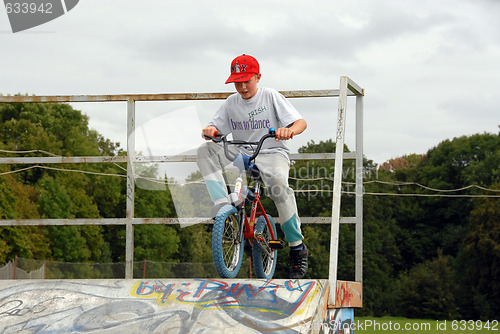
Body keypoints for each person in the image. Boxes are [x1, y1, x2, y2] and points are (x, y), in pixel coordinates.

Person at [197, 54, 308, 279]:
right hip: (241, 154)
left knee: (279, 186)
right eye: (238, 81)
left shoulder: (271, 96)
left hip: (271, 152)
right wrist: (209, 130)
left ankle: (297, 246)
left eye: (247, 80)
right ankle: (222, 206)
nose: (243, 86)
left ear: (258, 77)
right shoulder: (231, 102)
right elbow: (213, 127)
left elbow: (301, 122)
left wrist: (290, 130)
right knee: (204, 151)